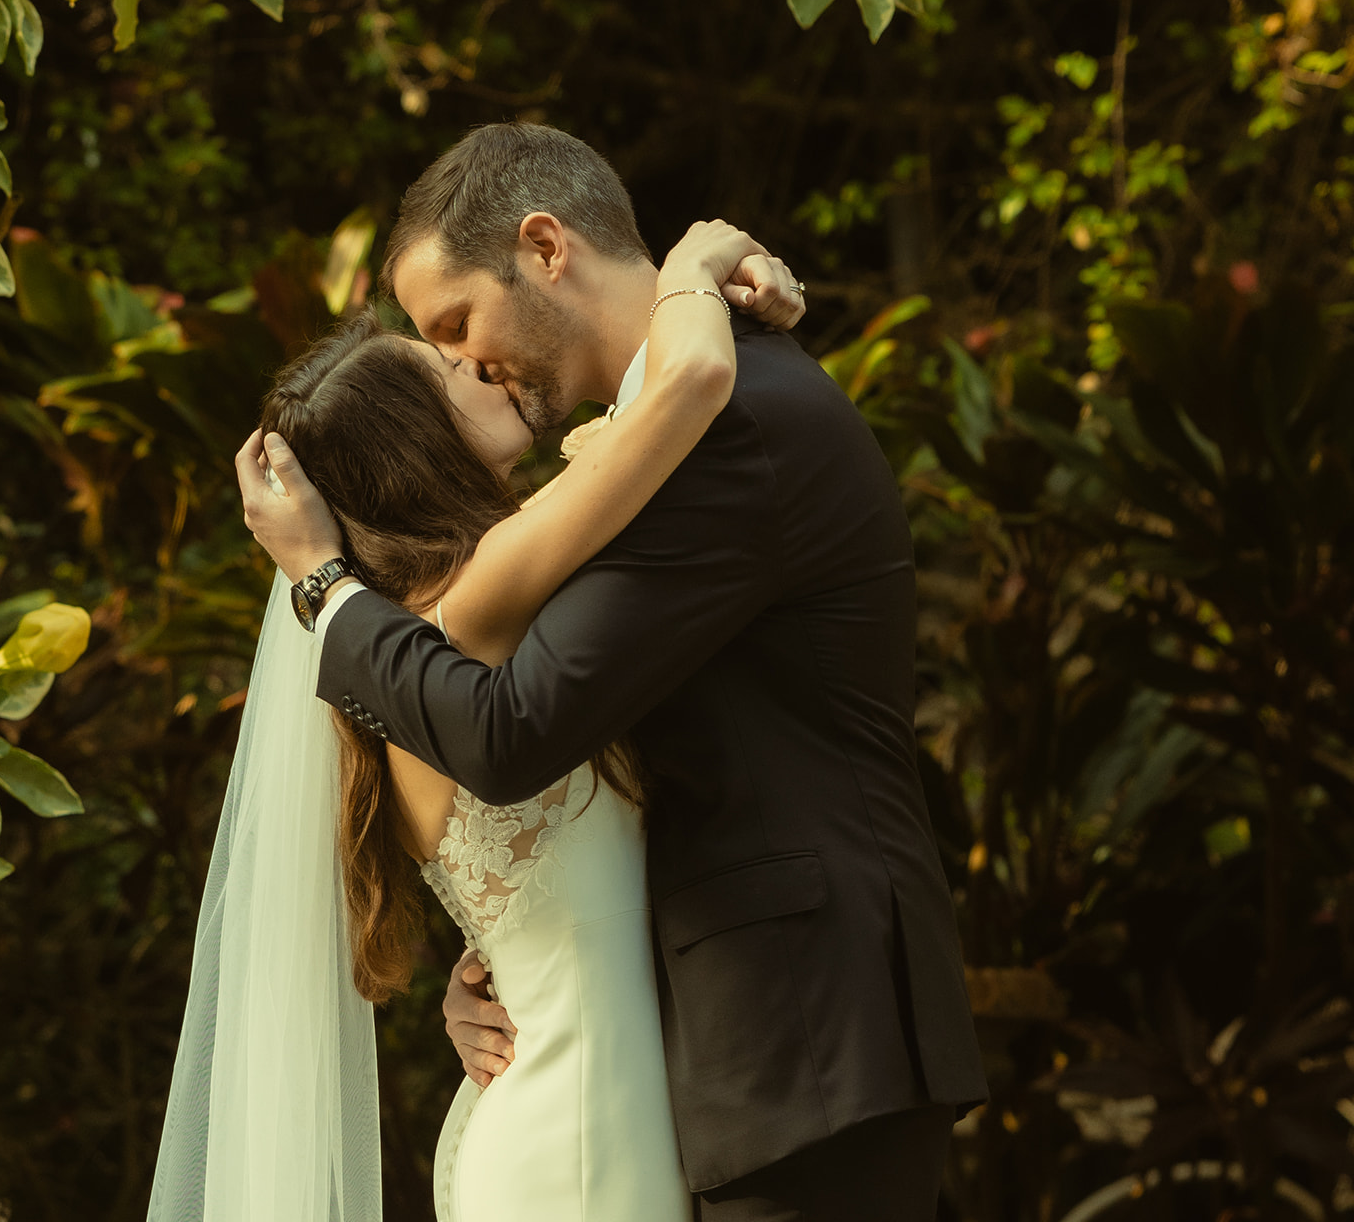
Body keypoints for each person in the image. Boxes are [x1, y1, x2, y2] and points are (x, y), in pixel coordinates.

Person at [239, 122, 989, 1222]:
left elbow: (512, 729)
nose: (470, 357)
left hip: (807, 1043)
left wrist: (321, 586)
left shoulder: (722, 422)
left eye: (456, 326)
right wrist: (509, 958)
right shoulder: (642, 448)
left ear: (545, 249)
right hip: (712, 1077)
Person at [150, 219, 796, 1221]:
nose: (474, 357)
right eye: (441, 364)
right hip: (579, 1149)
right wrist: (697, 260)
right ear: (413, 438)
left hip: (550, 1120)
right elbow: (689, 381)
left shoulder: (402, 655)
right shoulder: (479, 600)